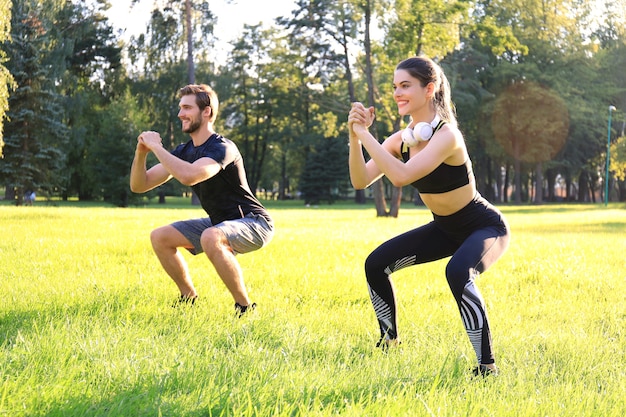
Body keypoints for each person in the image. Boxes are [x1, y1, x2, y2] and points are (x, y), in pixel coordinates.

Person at [347, 56, 510, 376]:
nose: (397, 92)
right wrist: (355, 136)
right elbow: (360, 180)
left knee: (458, 271)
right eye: (394, 86)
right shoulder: (401, 139)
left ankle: (486, 367)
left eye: (405, 85)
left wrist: (367, 136)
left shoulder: (447, 136)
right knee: (375, 264)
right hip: (445, 228)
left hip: (483, 226)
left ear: (429, 89)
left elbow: (401, 176)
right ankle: (389, 343)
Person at [130, 84, 274, 315]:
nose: (180, 114)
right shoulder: (183, 151)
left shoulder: (223, 148)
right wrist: (141, 153)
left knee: (211, 236)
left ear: (206, 112)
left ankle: (245, 308)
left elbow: (189, 176)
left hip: (253, 222)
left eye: (187, 107)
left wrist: (157, 146)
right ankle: (188, 298)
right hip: (218, 223)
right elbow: (140, 185)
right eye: (180, 108)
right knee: (160, 237)